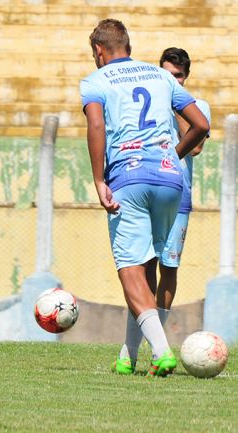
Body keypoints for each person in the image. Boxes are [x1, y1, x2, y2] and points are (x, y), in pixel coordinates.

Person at [81, 19, 209, 376]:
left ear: (99, 51)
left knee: (130, 271)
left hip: (129, 179)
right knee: (148, 269)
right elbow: (200, 124)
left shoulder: (96, 81)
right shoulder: (161, 76)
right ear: (129, 46)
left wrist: (98, 179)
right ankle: (127, 355)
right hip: (171, 182)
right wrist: (172, 157)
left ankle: (163, 351)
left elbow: (96, 126)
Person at [117, 47, 212, 372]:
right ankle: (129, 353)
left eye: (177, 76)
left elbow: (196, 146)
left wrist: (174, 111)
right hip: (147, 191)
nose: (171, 80)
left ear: (185, 78)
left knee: (167, 269)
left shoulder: (197, 108)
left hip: (178, 197)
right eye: (167, 74)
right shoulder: (148, 103)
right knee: (140, 269)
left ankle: (159, 350)